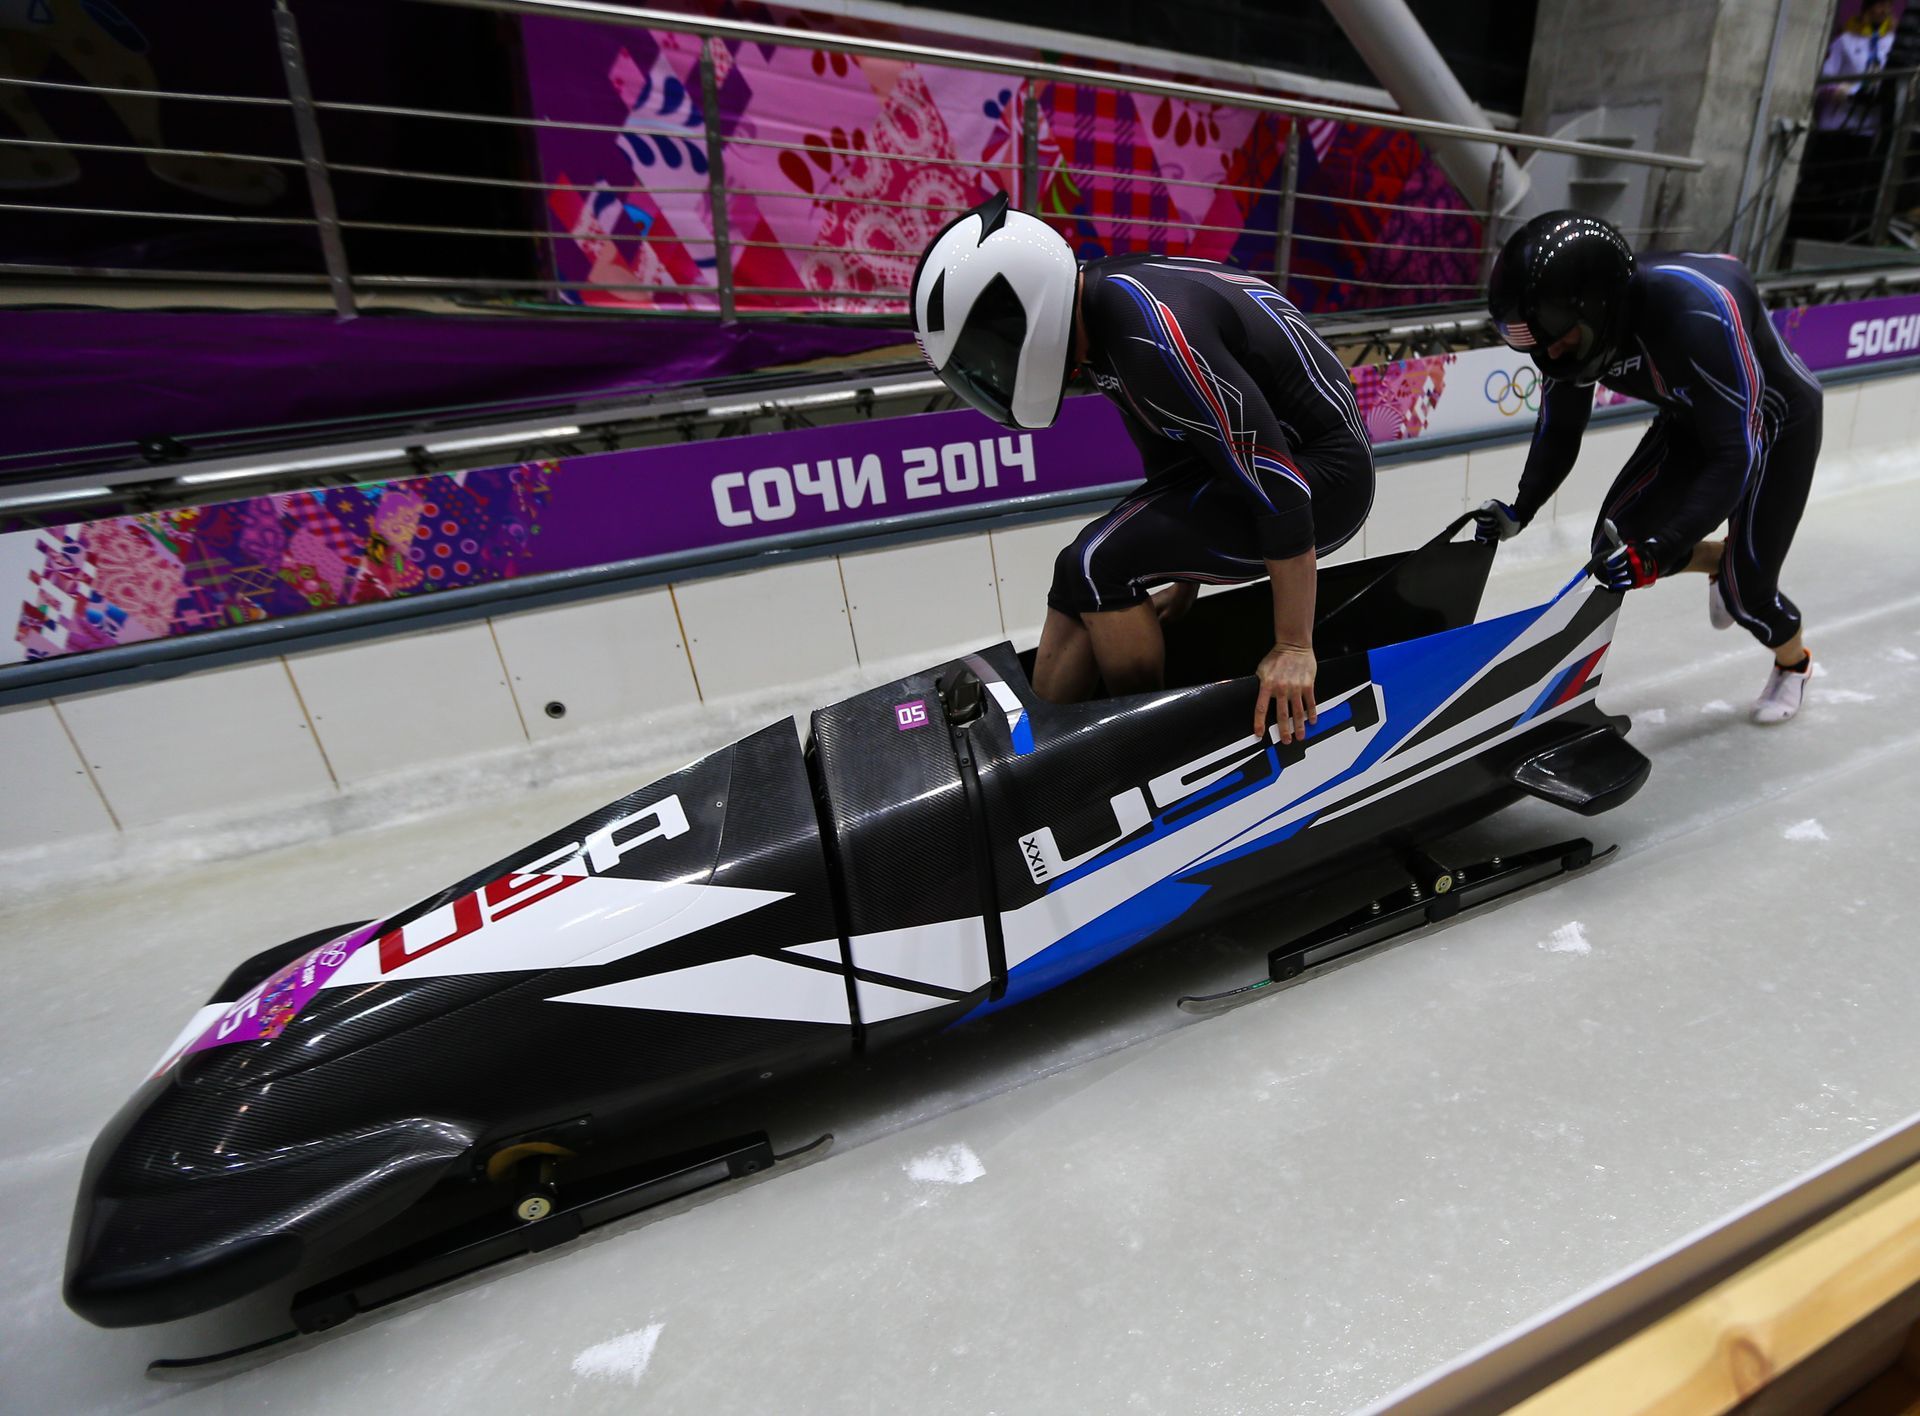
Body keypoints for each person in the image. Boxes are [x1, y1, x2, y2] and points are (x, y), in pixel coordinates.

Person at [909, 192, 1375, 743]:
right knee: (1076, 567)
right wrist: (1183, 575)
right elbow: (1177, 455)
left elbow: (1277, 483)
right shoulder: (1103, 316)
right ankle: (1041, 745)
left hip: (1324, 480)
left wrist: (1295, 646)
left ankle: (1152, 746)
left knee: (1101, 564)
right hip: (1283, 468)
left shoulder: (1149, 333)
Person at [1474, 211, 1823, 724]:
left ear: (1597, 308)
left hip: (1774, 425)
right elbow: (1560, 430)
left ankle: (1794, 664)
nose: (1550, 354)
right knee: (1613, 550)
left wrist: (1660, 551)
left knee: (1748, 594)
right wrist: (1520, 509)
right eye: (1538, 344)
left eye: (1558, 339)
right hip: (1692, 417)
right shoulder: (1570, 336)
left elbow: (1735, 456)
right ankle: (1718, 561)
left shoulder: (1697, 313)